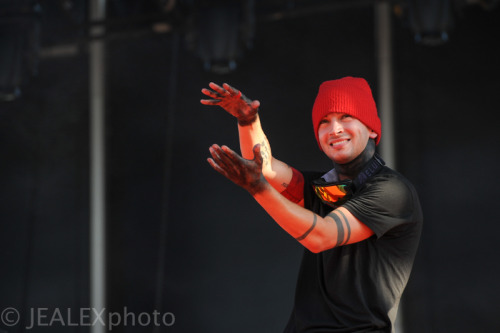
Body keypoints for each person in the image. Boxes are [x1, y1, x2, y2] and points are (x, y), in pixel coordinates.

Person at [201, 76, 423, 333]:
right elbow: (266, 168)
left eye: (346, 117)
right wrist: (247, 120)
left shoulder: (392, 191)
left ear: (372, 129)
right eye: (325, 122)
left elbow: (321, 236)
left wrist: (257, 188)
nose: (335, 129)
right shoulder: (321, 187)